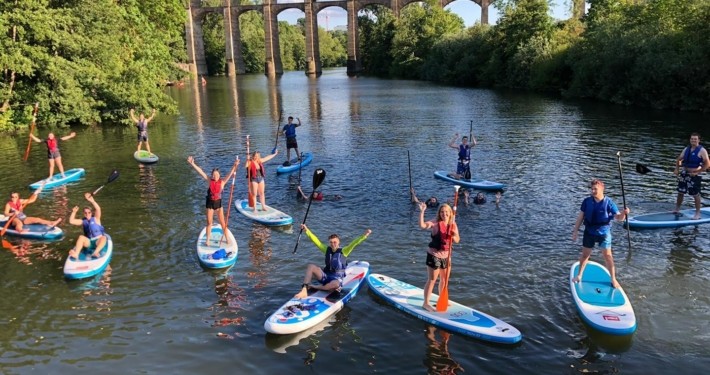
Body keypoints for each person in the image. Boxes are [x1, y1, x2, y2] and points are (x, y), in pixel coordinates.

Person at [572, 179, 630, 289]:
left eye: (595, 189)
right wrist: (575, 231)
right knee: (585, 255)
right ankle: (579, 275)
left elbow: (619, 218)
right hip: (589, 232)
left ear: (602, 189)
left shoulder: (609, 203)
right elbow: (581, 217)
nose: (593, 191)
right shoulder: (587, 201)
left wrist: (624, 213)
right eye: (592, 189)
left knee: (608, 256)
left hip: (604, 233)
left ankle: (613, 279)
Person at [295, 224, 371, 299]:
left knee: (335, 285)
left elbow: (354, 243)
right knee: (311, 266)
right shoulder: (326, 249)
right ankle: (304, 290)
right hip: (325, 276)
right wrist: (306, 230)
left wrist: (364, 235)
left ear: (339, 242)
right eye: (331, 242)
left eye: (335, 242)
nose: (333, 244)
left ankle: (317, 287)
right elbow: (316, 241)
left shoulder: (344, 251)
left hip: (336, 279)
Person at [187, 156, 239, 245]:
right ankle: (207, 240)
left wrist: (235, 165)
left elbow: (230, 174)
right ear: (212, 175)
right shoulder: (209, 181)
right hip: (210, 204)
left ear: (219, 175)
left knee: (223, 223)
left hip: (218, 205)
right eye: (214, 175)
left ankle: (226, 238)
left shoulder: (222, 182)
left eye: (217, 175)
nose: (215, 176)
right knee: (209, 223)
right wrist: (192, 163)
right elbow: (201, 172)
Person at [418, 201, 459, 312]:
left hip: (446, 257)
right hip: (434, 255)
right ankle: (426, 303)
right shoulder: (435, 223)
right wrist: (422, 212)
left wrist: (454, 235)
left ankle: (442, 299)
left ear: (450, 213)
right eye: (442, 212)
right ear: (439, 213)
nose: (444, 214)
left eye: (446, 212)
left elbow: (457, 240)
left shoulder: (453, 224)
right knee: (432, 280)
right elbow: (422, 226)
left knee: (444, 280)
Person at [673, 133, 710, 219]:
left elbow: (707, 164)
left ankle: (697, 213)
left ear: (698, 140)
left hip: (694, 174)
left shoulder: (702, 150)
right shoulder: (686, 149)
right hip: (684, 173)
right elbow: (679, 159)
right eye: (692, 139)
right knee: (680, 192)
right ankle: (677, 209)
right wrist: (677, 169)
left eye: (695, 139)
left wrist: (698, 172)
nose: (693, 140)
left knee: (695, 194)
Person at [67, 192, 107, 259]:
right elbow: (71, 221)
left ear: (91, 213)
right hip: (89, 242)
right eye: (85, 213)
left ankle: (95, 252)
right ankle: (76, 254)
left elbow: (98, 209)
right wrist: (73, 212)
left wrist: (92, 201)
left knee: (104, 238)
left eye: (89, 212)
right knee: (81, 237)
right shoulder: (83, 221)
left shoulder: (96, 218)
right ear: (83, 214)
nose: (87, 214)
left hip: (98, 241)